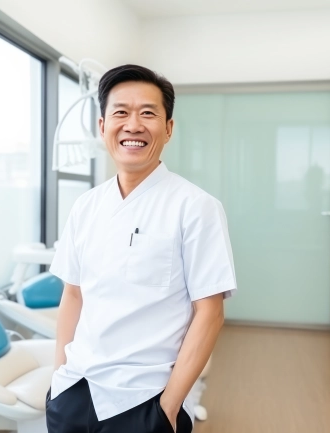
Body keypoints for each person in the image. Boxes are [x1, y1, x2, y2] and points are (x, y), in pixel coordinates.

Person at [46, 64, 237, 433]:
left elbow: (209, 313)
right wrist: (58, 379)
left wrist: (168, 407)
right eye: (121, 112)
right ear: (103, 126)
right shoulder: (86, 206)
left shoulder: (195, 207)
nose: (133, 125)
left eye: (148, 113)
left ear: (168, 129)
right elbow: (73, 294)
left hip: (144, 400)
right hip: (75, 391)